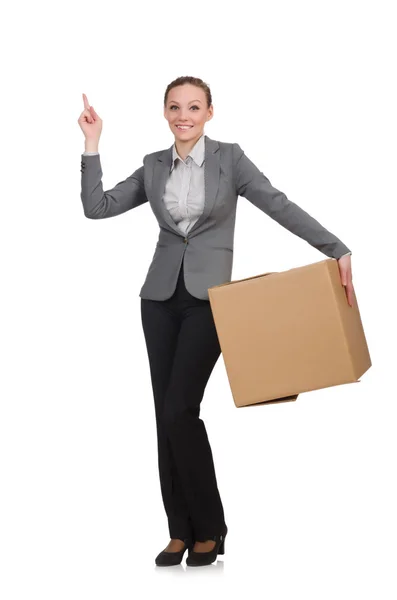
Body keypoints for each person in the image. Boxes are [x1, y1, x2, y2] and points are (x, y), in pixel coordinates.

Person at [78, 76, 354, 567]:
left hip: (209, 302)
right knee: (166, 415)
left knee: (182, 407)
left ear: (209, 112)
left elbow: (278, 204)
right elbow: (96, 208)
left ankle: (211, 527)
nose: (183, 115)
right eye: (174, 107)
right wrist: (92, 144)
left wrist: (336, 248)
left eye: (194, 107)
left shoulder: (230, 160)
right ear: (165, 113)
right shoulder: (152, 165)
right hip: (158, 300)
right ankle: (178, 531)